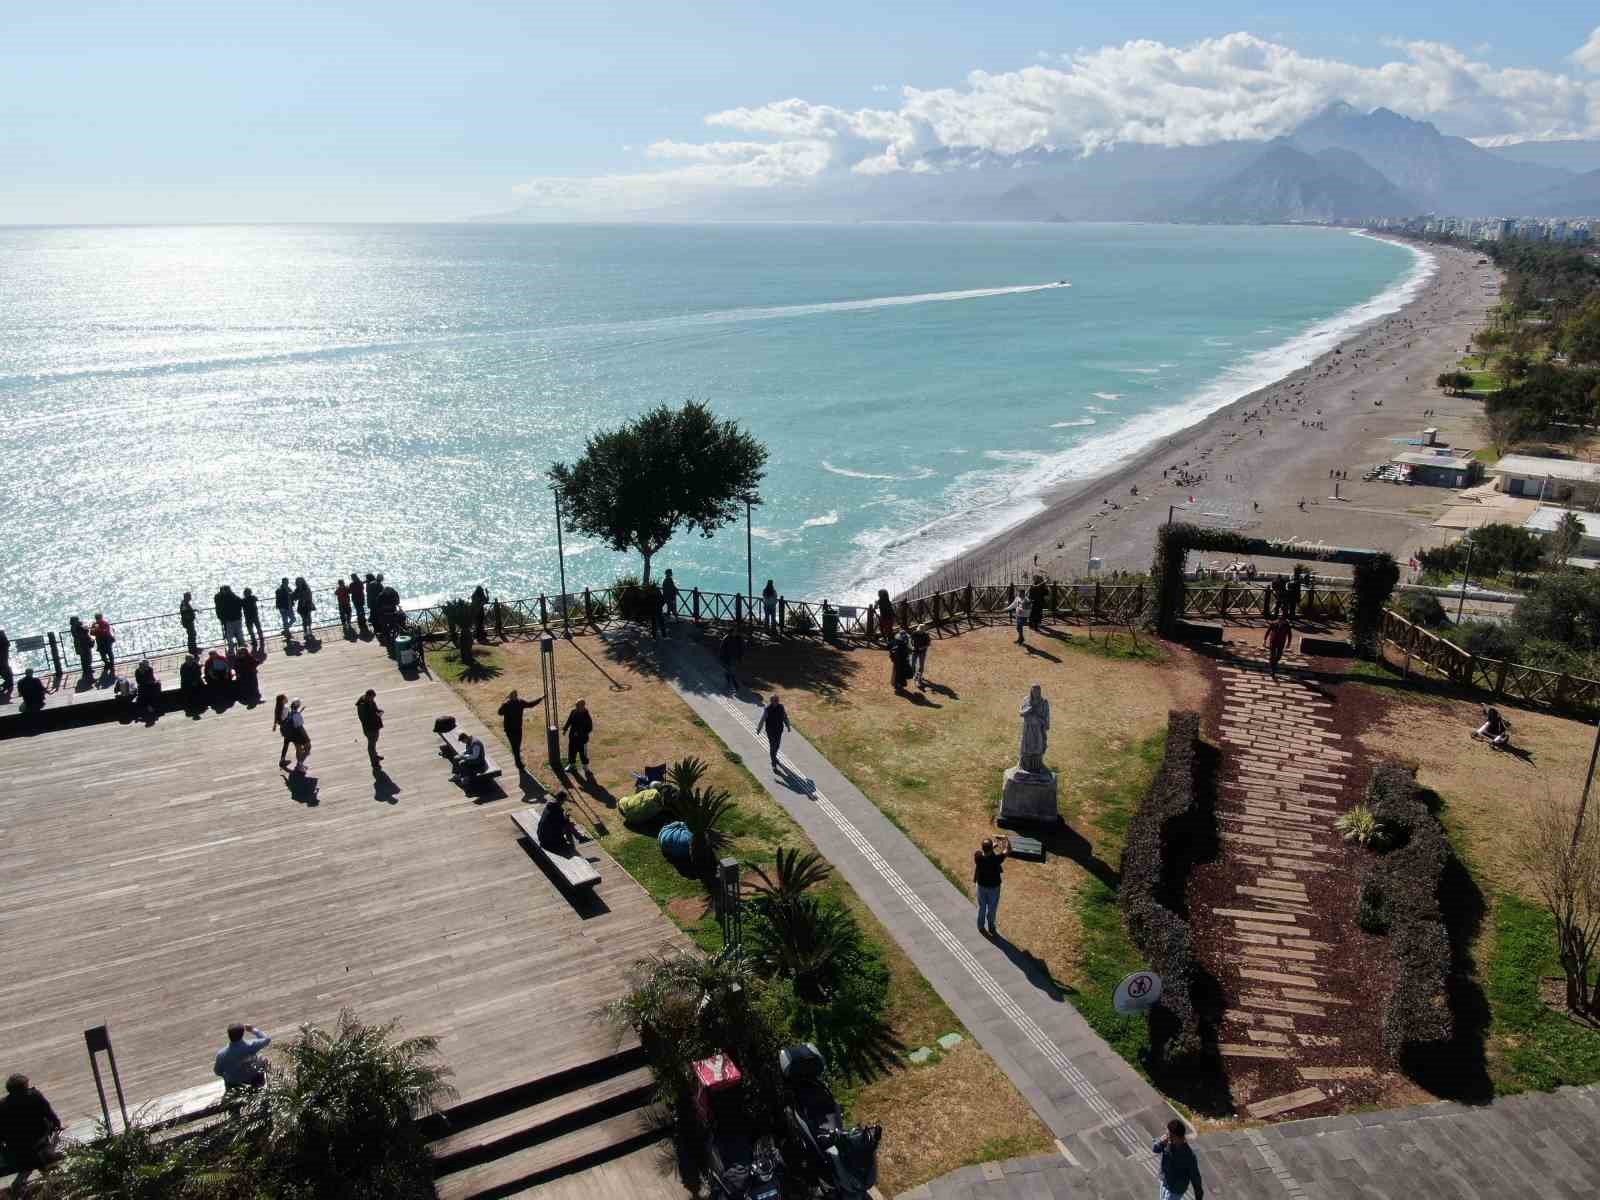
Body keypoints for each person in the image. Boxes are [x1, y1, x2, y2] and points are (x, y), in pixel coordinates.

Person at [0, 1073, 64, 1192]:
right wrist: (57, 1125)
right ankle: (53, 1180)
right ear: (24, 1087)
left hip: (17, 1149)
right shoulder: (34, 1096)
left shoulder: (2, 1105)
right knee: (45, 1154)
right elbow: (50, 1114)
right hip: (40, 1142)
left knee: (28, 1164)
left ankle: (22, 1185)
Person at [1152, 1119, 1204, 1199]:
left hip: (1175, 1190)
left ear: (1178, 1137)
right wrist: (1160, 1143)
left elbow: (1195, 1177)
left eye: (1169, 1135)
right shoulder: (1166, 1143)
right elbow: (1155, 1150)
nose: (1167, 1137)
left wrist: (1198, 1195)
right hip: (1165, 1182)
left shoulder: (1189, 1156)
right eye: (1167, 1133)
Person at [214, 1024, 271, 1091]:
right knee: (264, 1060)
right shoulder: (251, 1045)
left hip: (234, 1083)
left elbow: (217, 1072)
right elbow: (267, 1039)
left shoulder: (221, 1054)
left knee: (227, 1075)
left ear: (229, 1035)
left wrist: (227, 1075)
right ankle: (267, 1085)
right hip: (254, 1079)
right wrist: (252, 1029)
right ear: (242, 1034)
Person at [498, 689, 543, 770]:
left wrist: (540, 698)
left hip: (516, 729)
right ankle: (519, 764)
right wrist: (540, 698)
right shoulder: (512, 704)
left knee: (516, 746)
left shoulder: (513, 703)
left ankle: (517, 760)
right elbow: (500, 713)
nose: (515, 696)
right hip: (511, 730)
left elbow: (530, 704)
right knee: (515, 746)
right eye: (514, 695)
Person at [973, 836, 1010, 937]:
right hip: (993, 888)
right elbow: (1007, 850)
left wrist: (992, 847)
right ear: (990, 849)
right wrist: (1006, 839)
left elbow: (983, 852)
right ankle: (991, 926)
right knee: (992, 908)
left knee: (982, 907)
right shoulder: (996, 859)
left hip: (981, 886)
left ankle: (980, 926)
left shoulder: (978, 856)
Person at [756, 693, 791, 771]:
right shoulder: (767, 709)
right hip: (770, 731)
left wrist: (788, 726)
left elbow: (785, 717)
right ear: (771, 701)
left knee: (777, 745)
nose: (777, 701)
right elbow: (763, 719)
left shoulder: (781, 707)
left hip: (779, 730)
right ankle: (774, 763)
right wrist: (759, 728)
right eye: (775, 700)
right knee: (773, 746)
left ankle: (774, 757)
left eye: (777, 700)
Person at [562, 699, 594, 774]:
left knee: (583, 754)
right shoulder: (573, 712)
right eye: (576, 705)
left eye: (578, 706)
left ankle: (585, 767)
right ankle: (571, 765)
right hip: (573, 737)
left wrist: (580, 733)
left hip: (582, 740)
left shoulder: (586, 716)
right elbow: (569, 721)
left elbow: (589, 728)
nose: (576, 707)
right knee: (571, 751)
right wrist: (565, 729)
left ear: (583, 706)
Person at [355, 689, 383, 769]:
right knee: (371, 746)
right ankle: (374, 763)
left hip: (374, 726)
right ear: (368, 696)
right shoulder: (362, 705)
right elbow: (364, 718)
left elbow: (374, 709)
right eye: (372, 698)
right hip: (369, 728)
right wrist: (377, 715)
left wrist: (378, 711)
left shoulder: (370, 701)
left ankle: (375, 756)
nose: (373, 699)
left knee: (374, 742)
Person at [214, 584, 245, 651]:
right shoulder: (232, 596)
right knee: (238, 633)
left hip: (228, 619)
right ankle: (241, 645)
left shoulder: (219, 597)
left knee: (229, 634)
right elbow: (240, 602)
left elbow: (219, 609)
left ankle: (232, 647)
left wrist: (221, 617)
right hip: (234, 618)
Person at [283, 698, 310, 772]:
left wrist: (300, 711)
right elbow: (300, 723)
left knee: (298, 748)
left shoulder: (290, 713)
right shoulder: (296, 715)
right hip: (299, 732)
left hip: (292, 734)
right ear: (298, 706)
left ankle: (300, 764)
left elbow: (295, 717)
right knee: (307, 748)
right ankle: (300, 764)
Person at [272, 694, 294, 767]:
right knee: (290, 741)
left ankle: (282, 759)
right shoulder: (286, 708)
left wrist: (274, 725)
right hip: (288, 728)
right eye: (285, 698)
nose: (287, 698)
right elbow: (290, 717)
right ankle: (282, 760)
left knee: (286, 743)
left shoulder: (277, 708)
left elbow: (276, 717)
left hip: (283, 728)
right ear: (282, 700)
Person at [911, 623, 932, 688]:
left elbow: (928, 644)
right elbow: (911, 640)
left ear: (924, 630)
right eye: (919, 630)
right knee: (913, 663)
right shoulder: (914, 633)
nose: (920, 631)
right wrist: (912, 646)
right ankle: (914, 674)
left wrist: (923, 647)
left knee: (921, 664)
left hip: (922, 652)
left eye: (922, 630)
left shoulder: (926, 635)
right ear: (918, 629)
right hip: (914, 651)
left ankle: (920, 676)